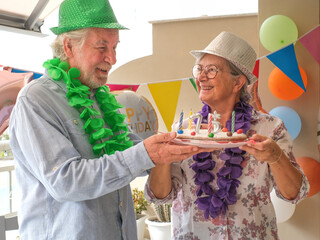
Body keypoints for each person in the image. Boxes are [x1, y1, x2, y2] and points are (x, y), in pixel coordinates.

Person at [8, 0, 210, 239]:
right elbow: (65, 181)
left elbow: (135, 153)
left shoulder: (100, 98)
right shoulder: (35, 100)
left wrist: (179, 139)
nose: (112, 58)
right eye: (102, 47)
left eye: (115, 47)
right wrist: (148, 153)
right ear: (69, 46)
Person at [144, 31, 310, 239]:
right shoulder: (182, 130)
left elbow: (294, 193)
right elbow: (159, 196)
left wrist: (276, 157)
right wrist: (162, 159)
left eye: (212, 70)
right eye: (199, 69)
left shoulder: (269, 128)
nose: (201, 77)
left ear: (238, 83)